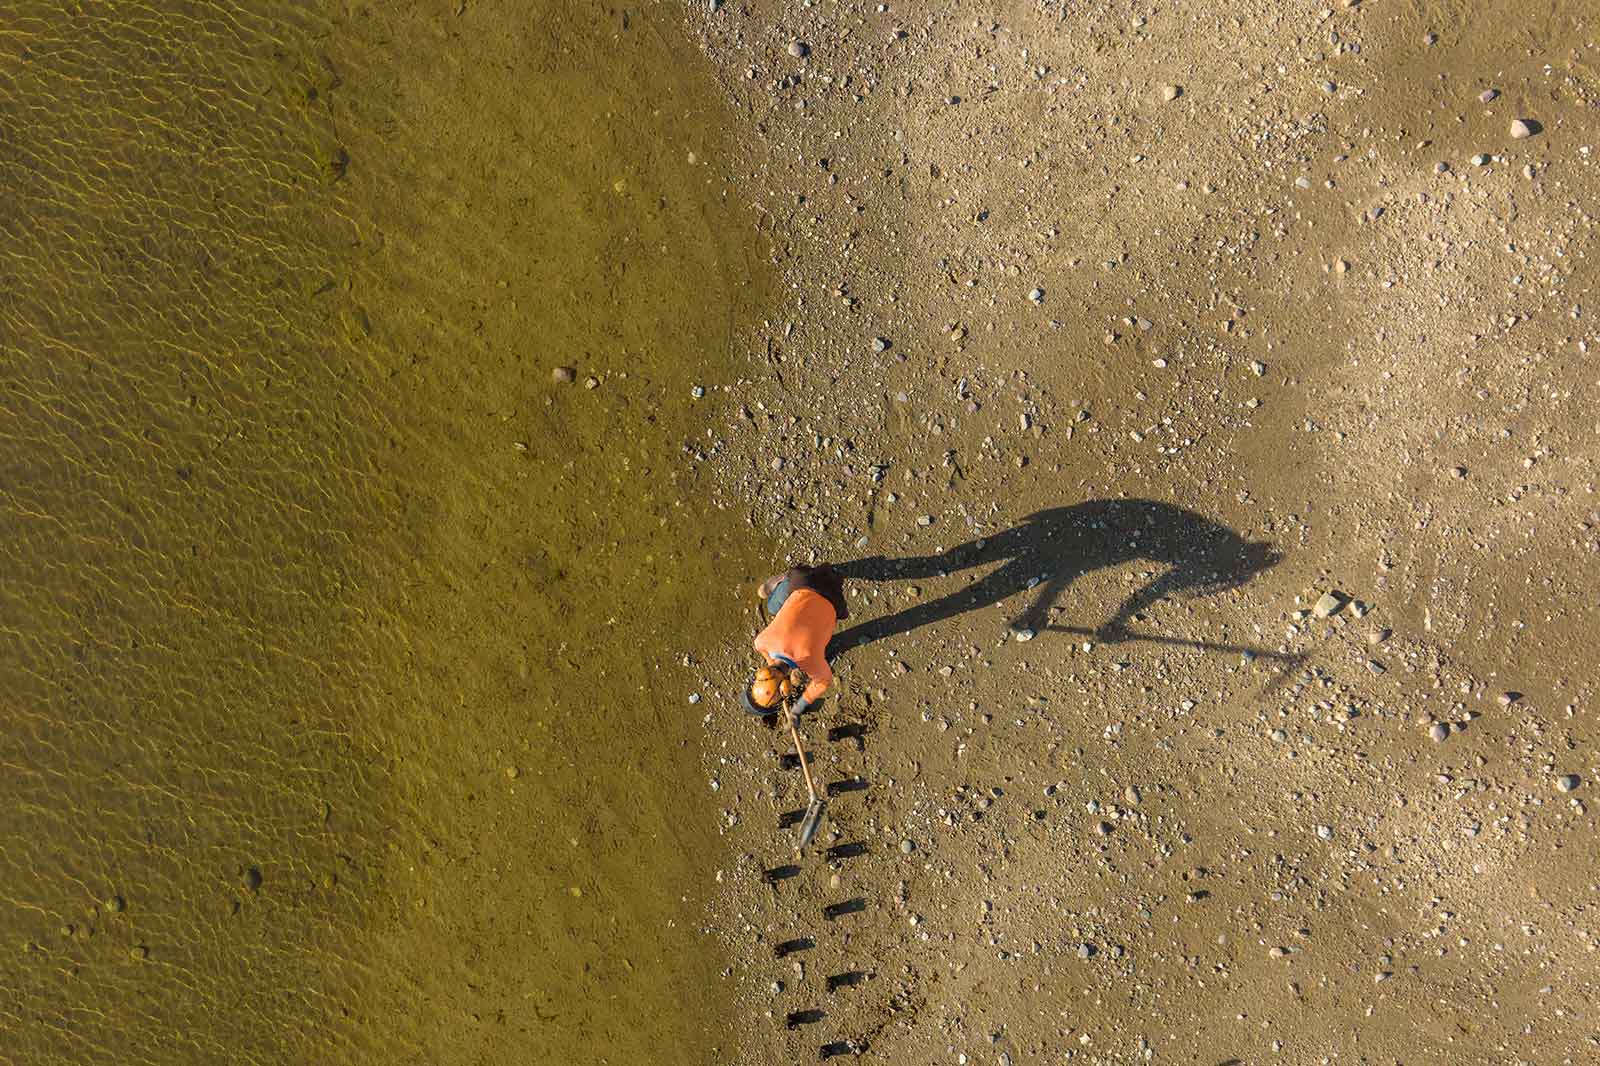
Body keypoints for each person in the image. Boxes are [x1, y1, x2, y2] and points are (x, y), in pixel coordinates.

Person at [742, 563, 849, 717]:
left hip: (834, 599)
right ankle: (777, 582)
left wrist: (798, 708)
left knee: (820, 635)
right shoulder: (761, 642)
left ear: (786, 688)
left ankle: (832, 576)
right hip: (803, 580)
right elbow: (767, 655)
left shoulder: (811, 662)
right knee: (768, 600)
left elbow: (823, 681)